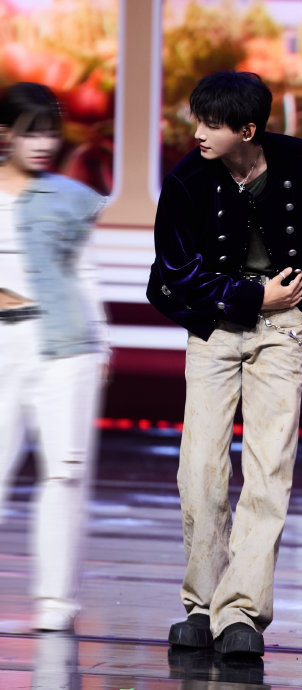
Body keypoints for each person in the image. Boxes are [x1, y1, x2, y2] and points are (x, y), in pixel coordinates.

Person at [147, 71, 302, 656]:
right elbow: (176, 271)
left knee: (267, 469)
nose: (199, 134)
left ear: (248, 130)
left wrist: (297, 284)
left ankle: (242, 613)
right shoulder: (186, 180)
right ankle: (201, 603)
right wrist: (255, 296)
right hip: (215, 327)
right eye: (198, 121)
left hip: (282, 329)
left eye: (212, 125)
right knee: (200, 469)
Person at [0, 82, 108, 632]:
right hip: (5, 347)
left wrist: (102, 344)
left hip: (65, 348)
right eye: (31, 132)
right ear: (4, 134)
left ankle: (55, 602)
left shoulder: (70, 197)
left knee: (65, 476)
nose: (44, 144)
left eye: (51, 133)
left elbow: (84, 274)